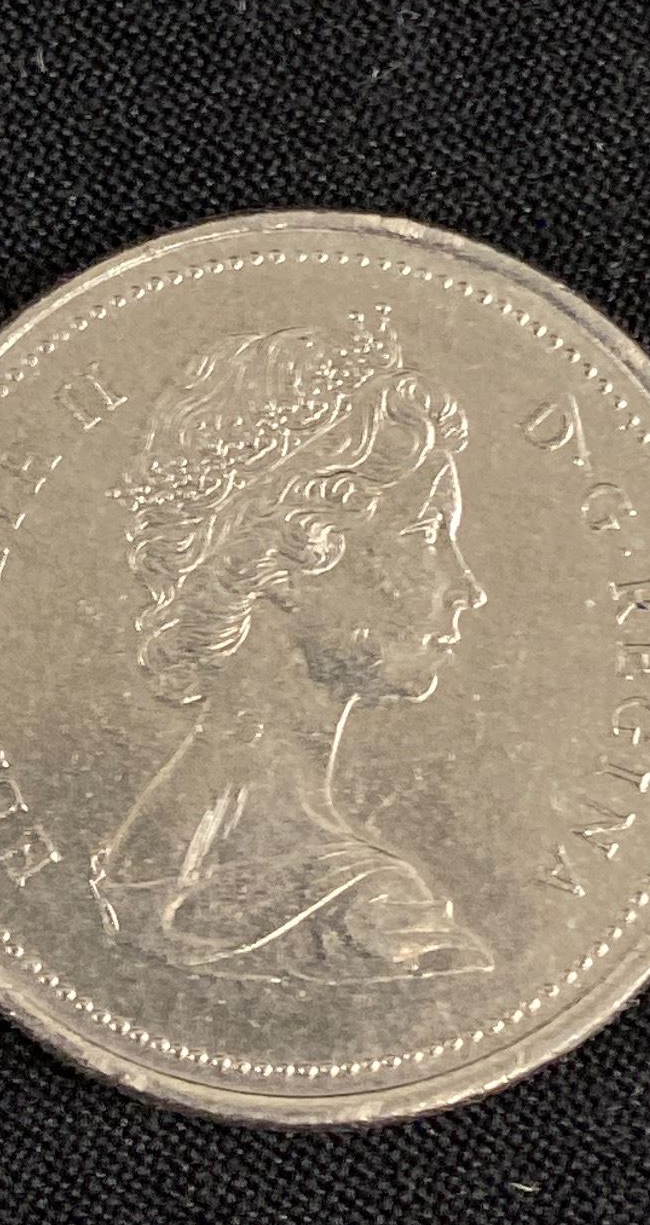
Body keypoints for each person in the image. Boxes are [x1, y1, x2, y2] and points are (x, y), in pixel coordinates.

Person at [91, 309, 493, 983]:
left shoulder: (138, 860)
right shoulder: (382, 925)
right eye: (425, 535)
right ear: (282, 559)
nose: (467, 589)